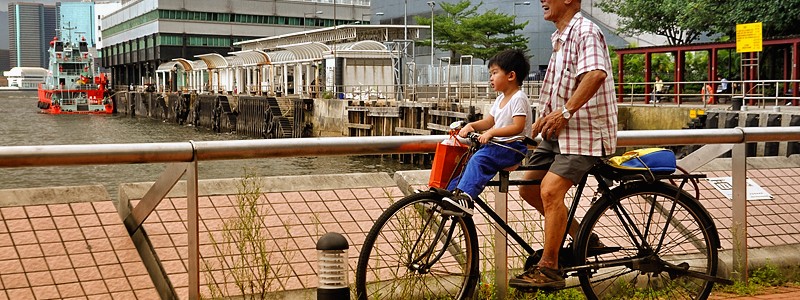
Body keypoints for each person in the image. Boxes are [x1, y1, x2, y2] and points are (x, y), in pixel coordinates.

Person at [509, 0, 618, 290]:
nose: (542, 1)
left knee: (550, 190)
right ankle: (584, 237)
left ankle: (550, 267)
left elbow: (595, 74)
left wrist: (565, 112)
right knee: (528, 187)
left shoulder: (585, 31)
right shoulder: (560, 37)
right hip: (557, 133)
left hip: (584, 134)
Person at [442, 49, 533, 216]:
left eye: (494, 73)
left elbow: (518, 127)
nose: (490, 78)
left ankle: (467, 198)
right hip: (500, 146)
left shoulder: (518, 98)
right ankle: (448, 194)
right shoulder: (500, 98)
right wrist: (471, 126)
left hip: (512, 148)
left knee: (479, 160)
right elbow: (489, 121)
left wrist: (491, 133)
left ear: (511, 76)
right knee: (466, 164)